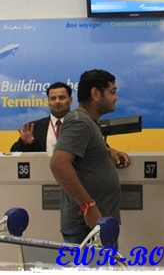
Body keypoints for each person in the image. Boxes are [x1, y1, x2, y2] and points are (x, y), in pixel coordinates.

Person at [49, 69, 131, 245]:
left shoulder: (87, 122)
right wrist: (88, 206)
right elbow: (58, 164)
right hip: (87, 227)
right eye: (112, 92)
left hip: (96, 224)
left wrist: (110, 151)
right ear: (95, 94)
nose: (116, 97)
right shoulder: (80, 121)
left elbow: (85, 151)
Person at [10, 82, 73, 153]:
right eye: (53, 98)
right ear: (48, 102)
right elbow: (14, 152)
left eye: (61, 98)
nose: (57, 101)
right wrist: (25, 144)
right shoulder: (34, 128)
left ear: (70, 100)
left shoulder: (80, 124)